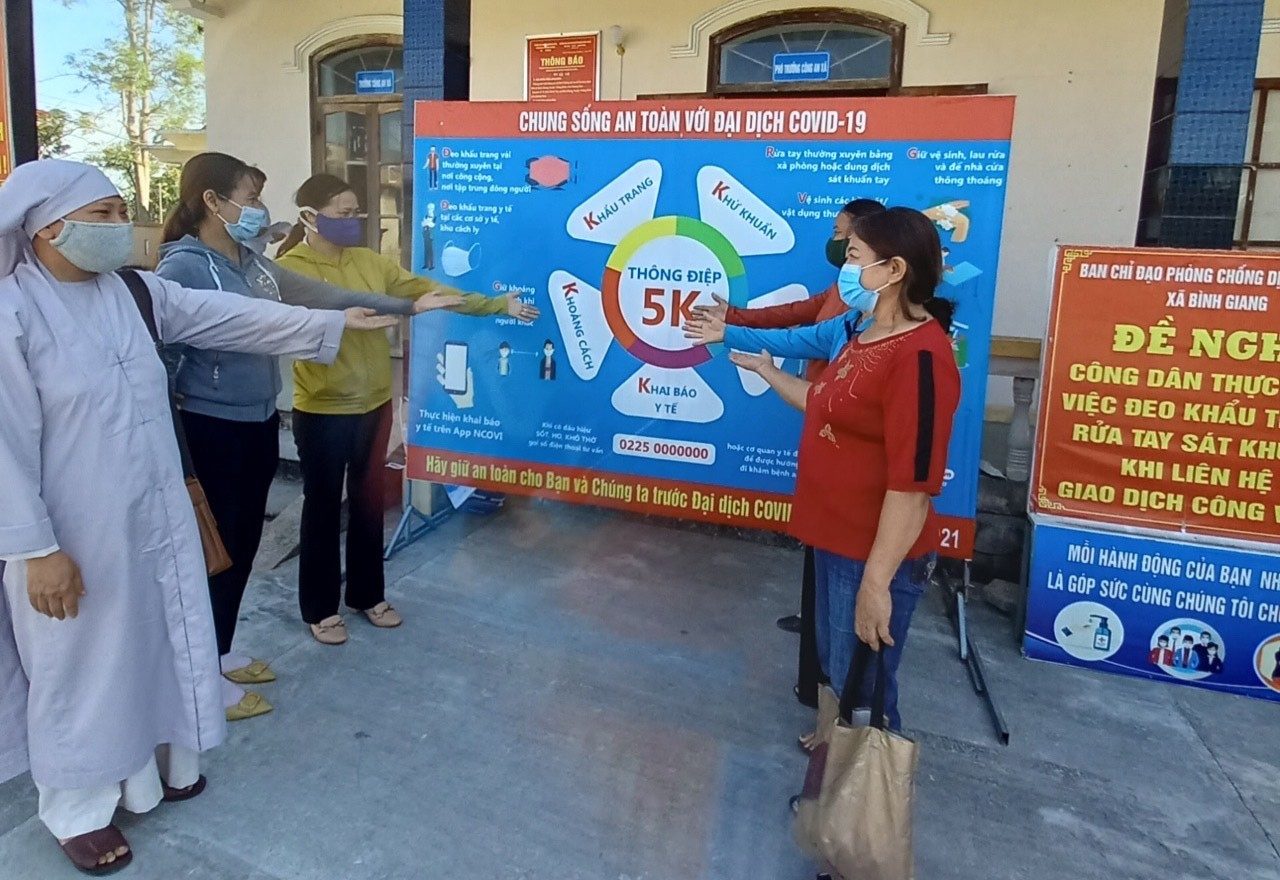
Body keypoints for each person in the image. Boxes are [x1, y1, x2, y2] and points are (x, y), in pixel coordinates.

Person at [0, 159, 398, 873]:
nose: (122, 225)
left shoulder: (132, 292)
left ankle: (154, 773)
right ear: (49, 227)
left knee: (158, 638)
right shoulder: (13, 312)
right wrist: (35, 550)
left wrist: (328, 321)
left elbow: (227, 315)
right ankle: (78, 811)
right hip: (72, 533)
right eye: (103, 215)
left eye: (121, 210)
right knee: (82, 666)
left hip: (152, 515)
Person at [153, 153, 449, 720]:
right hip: (210, 427)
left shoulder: (253, 265)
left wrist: (407, 305)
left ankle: (221, 651)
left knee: (240, 546)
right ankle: (200, 682)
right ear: (213, 201)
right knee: (212, 552)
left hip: (258, 417)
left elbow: (322, 298)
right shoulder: (183, 269)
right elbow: (165, 357)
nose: (261, 209)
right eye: (251, 197)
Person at [686, 207, 961, 733]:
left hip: (870, 552)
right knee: (838, 669)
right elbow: (822, 401)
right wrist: (767, 371)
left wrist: (876, 583)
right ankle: (834, 762)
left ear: (894, 270)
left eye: (854, 256)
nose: (845, 268)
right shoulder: (864, 331)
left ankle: (863, 784)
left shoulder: (920, 357)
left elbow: (912, 487)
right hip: (834, 540)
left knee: (866, 689)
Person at [276, 173, 539, 646]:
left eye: (356, 212)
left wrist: (496, 304)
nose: (352, 220)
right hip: (323, 407)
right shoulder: (289, 270)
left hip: (374, 403)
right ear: (310, 217)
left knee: (369, 503)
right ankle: (320, 608)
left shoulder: (369, 262)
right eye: (342, 212)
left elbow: (427, 290)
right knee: (321, 508)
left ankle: (368, 595)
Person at [699, 198, 885, 716]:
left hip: (857, 488)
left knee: (854, 627)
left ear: (890, 267)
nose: (839, 250)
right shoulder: (847, 318)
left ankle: (855, 736)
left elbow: (911, 484)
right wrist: (732, 323)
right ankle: (831, 721)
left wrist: (742, 340)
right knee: (829, 602)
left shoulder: (903, 346)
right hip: (827, 447)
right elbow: (797, 327)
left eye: (848, 243)